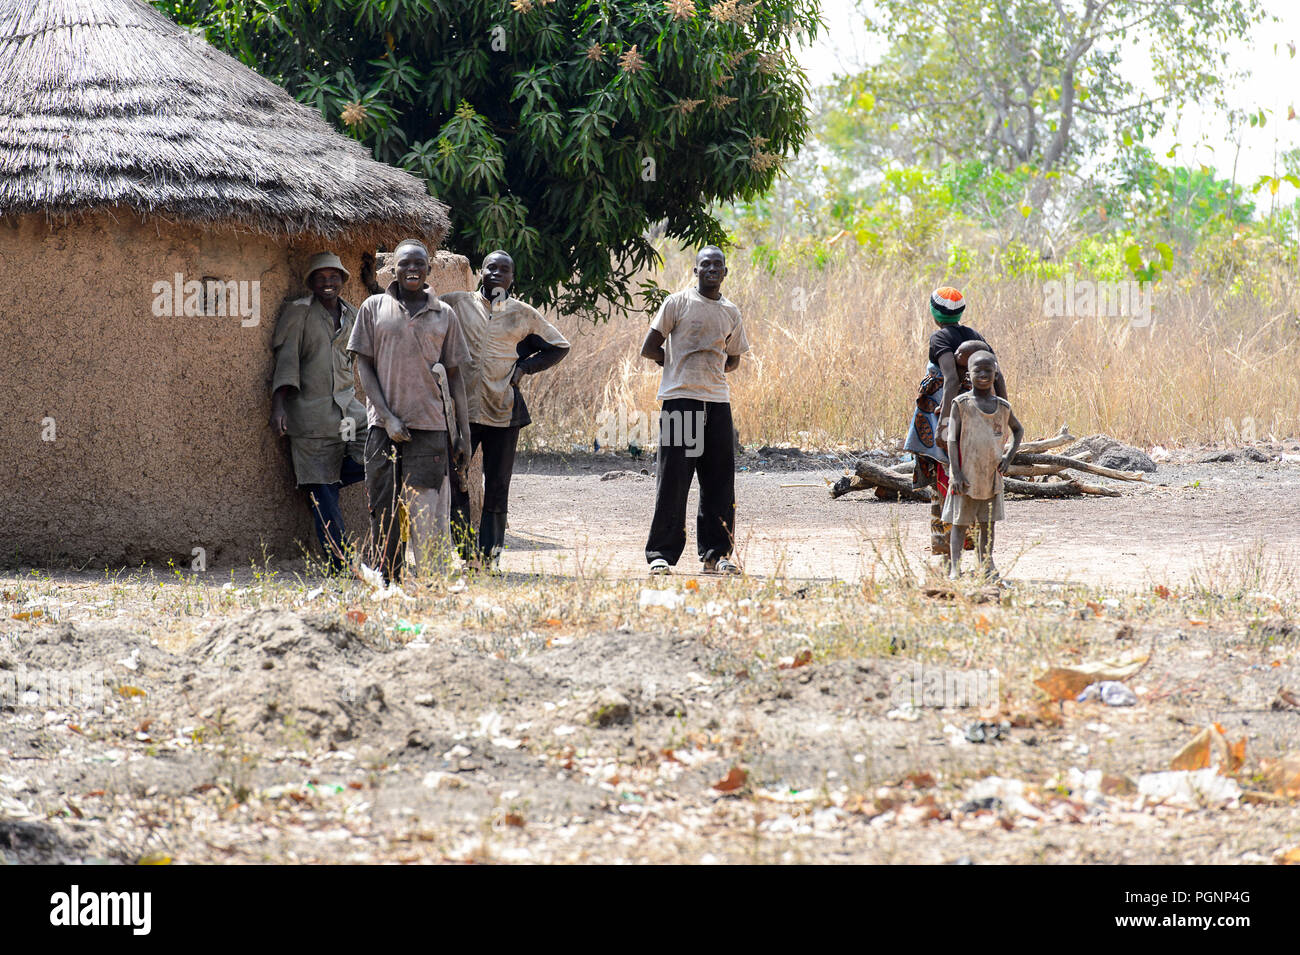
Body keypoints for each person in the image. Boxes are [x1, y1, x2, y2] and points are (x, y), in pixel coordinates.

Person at [347, 239, 470, 583]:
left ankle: (432, 580)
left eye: (419, 263)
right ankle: (390, 578)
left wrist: (463, 433)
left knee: (426, 510)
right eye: (405, 264)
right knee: (383, 506)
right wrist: (386, 417)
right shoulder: (373, 308)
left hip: (430, 427)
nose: (412, 269)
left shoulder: (444, 314)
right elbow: (364, 365)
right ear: (393, 269)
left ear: (429, 269)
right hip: (381, 428)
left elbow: (456, 375)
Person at [443, 250, 570, 568]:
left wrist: (524, 369)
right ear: (480, 272)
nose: (497, 273)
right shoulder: (457, 303)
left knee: (497, 486)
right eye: (491, 268)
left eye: (505, 270)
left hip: (504, 411)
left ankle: (489, 557)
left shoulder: (522, 314)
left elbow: (559, 346)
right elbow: (421, 311)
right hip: (463, 413)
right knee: (454, 478)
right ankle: (465, 551)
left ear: (513, 278)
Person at [640, 246, 750, 575]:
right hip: (680, 400)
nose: (712, 269)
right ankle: (660, 554)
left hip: (717, 402)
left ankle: (717, 555)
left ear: (726, 272)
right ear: (695, 270)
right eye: (706, 264)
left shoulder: (731, 311)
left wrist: (709, 369)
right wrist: (673, 364)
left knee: (719, 482)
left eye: (718, 265)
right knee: (673, 479)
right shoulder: (677, 303)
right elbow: (649, 348)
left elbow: (733, 358)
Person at [269, 252, 367, 574]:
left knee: (377, 454)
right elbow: (286, 362)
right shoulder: (299, 313)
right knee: (323, 493)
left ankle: (327, 481)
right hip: (310, 418)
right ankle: (341, 565)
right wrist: (279, 406)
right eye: (321, 278)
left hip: (350, 415)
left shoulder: (352, 315)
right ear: (311, 282)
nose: (328, 283)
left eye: (334, 277)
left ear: (343, 280)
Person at [902, 287, 1008, 557]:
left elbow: (949, 380)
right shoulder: (974, 335)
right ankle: (970, 545)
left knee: (946, 477)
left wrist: (943, 424)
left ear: (933, 312)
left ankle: (948, 549)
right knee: (970, 475)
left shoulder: (939, 337)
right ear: (961, 312)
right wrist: (1003, 416)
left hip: (947, 411)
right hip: (977, 414)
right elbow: (998, 376)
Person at [944, 351, 1022, 579]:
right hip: (965, 477)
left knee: (988, 525)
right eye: (978, 370)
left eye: (989, 370)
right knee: (959, 524)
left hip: (990, 476)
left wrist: (1009, 458)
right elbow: (951, 439)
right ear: (969, 374)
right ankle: (955, 569)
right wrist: (955, 474)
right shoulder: (961, 404)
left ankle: (985, 566)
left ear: (996, 372)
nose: (984, 374)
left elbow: (1018, 430)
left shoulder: (1003, 407)